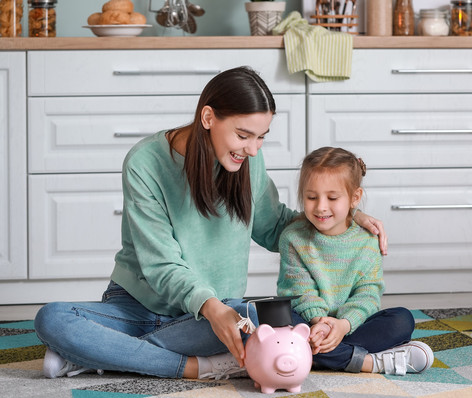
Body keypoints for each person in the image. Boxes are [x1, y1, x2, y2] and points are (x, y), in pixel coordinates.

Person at [34, 67, 387, 380]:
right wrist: (212, 308)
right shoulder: (145, 163)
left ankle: (102, 354)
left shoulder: (248, 162)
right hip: (139, 308)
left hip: (216, 315)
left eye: (261, 136)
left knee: (274, 313)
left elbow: (275, 227)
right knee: (52, 319)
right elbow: (161, 265)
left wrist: (347, 217)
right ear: (207, 117)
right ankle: (195, 367)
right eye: (244, 135)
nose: (253, 149)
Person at [277, 147, 434, 375]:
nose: (320, 206)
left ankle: (301, 355)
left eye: (332, 198)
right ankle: (368, 362)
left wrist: (342, 325)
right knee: (275, 321)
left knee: (402, 320)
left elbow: (368, 293)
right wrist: (321, 323)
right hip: (309, 324)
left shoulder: (368, 241)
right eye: (311, 197)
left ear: (355, 197)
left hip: (351, 326)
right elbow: (299, 291)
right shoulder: (293, 238)